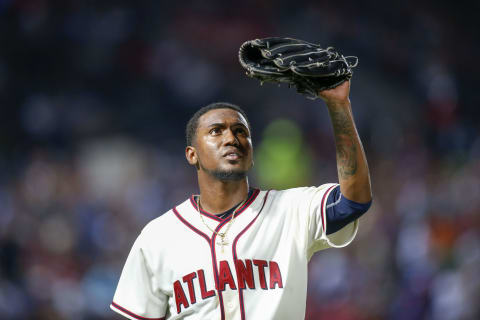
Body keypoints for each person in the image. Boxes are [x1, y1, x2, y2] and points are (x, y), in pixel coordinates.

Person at [110, 80, 372, 320]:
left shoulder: (292, 210)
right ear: (192, 155)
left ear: (252, 153)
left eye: (240, 131)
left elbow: (354, 201)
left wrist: (339, 106)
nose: (231, 139)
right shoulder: (158, 236)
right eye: (216, 131)